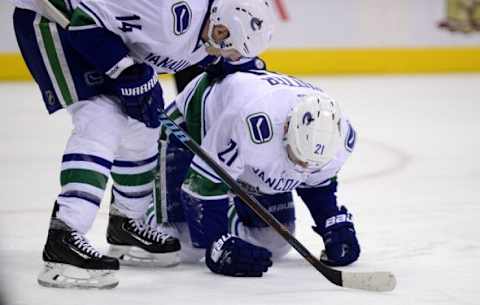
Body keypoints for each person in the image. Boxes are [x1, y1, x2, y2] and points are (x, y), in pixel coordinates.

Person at [12, 0, 275, 288]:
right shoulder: (167, 14)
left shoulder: (211, 28)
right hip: (53, 19)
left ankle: (127, 224)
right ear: (220, 28)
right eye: (231, 47)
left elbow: (211, 59)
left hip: (101, 34)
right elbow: (83, 20)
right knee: (102, 117)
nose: (231, 55)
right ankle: (64, 236)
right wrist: (126, 71)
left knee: (143, 127)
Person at [149, 69, 361, 277]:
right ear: (286, 129)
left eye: (311, 164)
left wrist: (331, 222)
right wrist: (217, 242)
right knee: (184, 246)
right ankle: (142, 212)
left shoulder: (342, 139)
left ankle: (228, 208)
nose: (303, 169)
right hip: (194, 128)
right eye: (298, 158)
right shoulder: (252, 123)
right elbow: (204, 184)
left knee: (273, 242)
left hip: (241, 152)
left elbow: (318, 184)